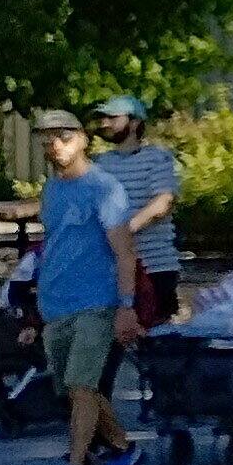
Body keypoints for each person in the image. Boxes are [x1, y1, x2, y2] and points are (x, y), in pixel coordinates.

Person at [28, 109, 148, 465]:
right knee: (74, 389)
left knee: (82, 385)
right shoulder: (52, 190)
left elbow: (125, 252)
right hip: (55, 304)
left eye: (62, 137)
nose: (53, 145)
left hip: (96, 303)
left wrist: (127, 306)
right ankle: (124, 448)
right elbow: (53, 247)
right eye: (46, 139)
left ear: (82, 139)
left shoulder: (105, 188)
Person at [89, 96, 184, 330]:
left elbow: (163, 201)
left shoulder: (157, 158)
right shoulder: (99, 164)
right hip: (112, 270)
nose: (104, 124)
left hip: (154, 266)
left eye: (112, 118)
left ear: (134, 122)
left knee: (157, 339)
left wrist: (125, 229)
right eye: (103, 118)